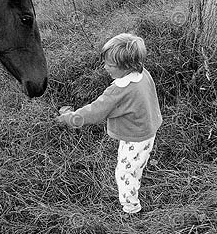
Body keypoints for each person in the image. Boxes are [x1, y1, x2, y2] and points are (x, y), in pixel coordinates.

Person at [57, 33, 162, 215]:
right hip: (147, 130)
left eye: (110, 65)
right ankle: (136, 177)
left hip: (136, 137)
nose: (105, 67)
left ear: (127, 66)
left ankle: (131, 209)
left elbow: (93, 112)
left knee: (123, 173)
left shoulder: (117, 91)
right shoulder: (143, 74)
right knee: (135, 164)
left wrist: (69, 117)